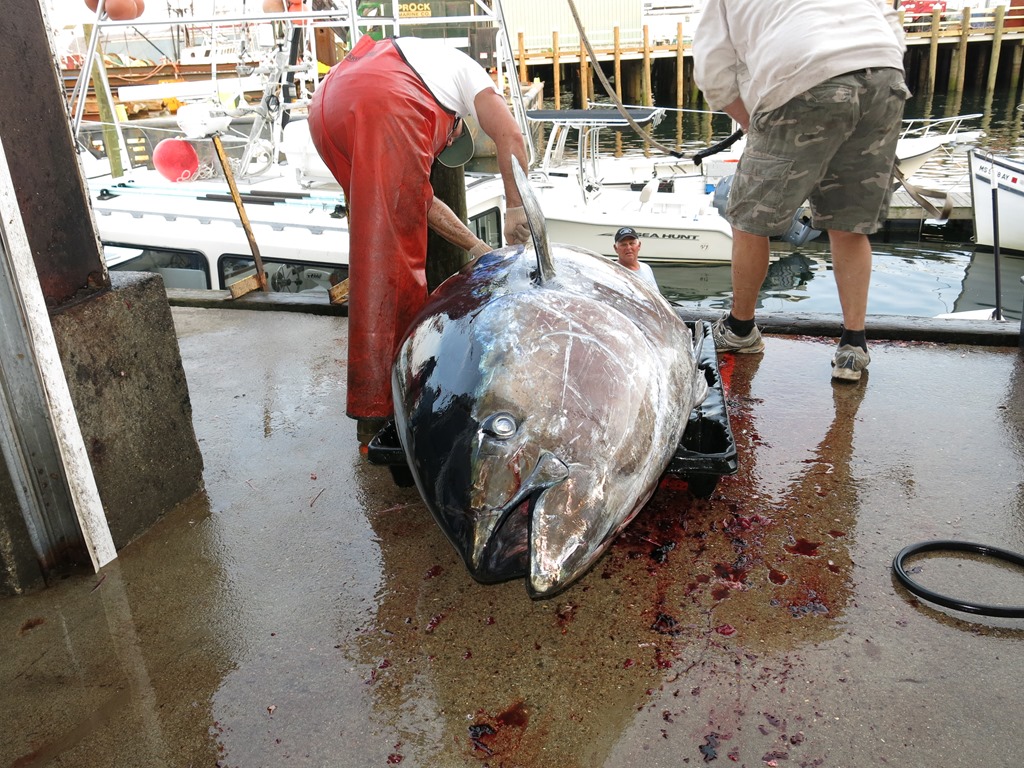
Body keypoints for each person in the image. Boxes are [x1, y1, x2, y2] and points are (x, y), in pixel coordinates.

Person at [307, 35, 531, 443]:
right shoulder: (467, 73)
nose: (446, 143)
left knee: (377, 246)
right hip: (385, 98)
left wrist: (478, 248)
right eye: (452, 138)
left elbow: (420, 202)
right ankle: (385, 413)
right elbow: (511, 136)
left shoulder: (425, 58)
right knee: (396, 273)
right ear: (458, 121)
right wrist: (516, 208)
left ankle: (378, 410)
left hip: (327, 106)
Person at [692, 1, 909, 382]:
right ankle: (853, 347)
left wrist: (752, 125)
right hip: (884, 75)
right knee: (848, 223)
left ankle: (741, 329)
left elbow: (713, 73)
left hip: (805, 74)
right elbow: (891, 25)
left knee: (748, 219)